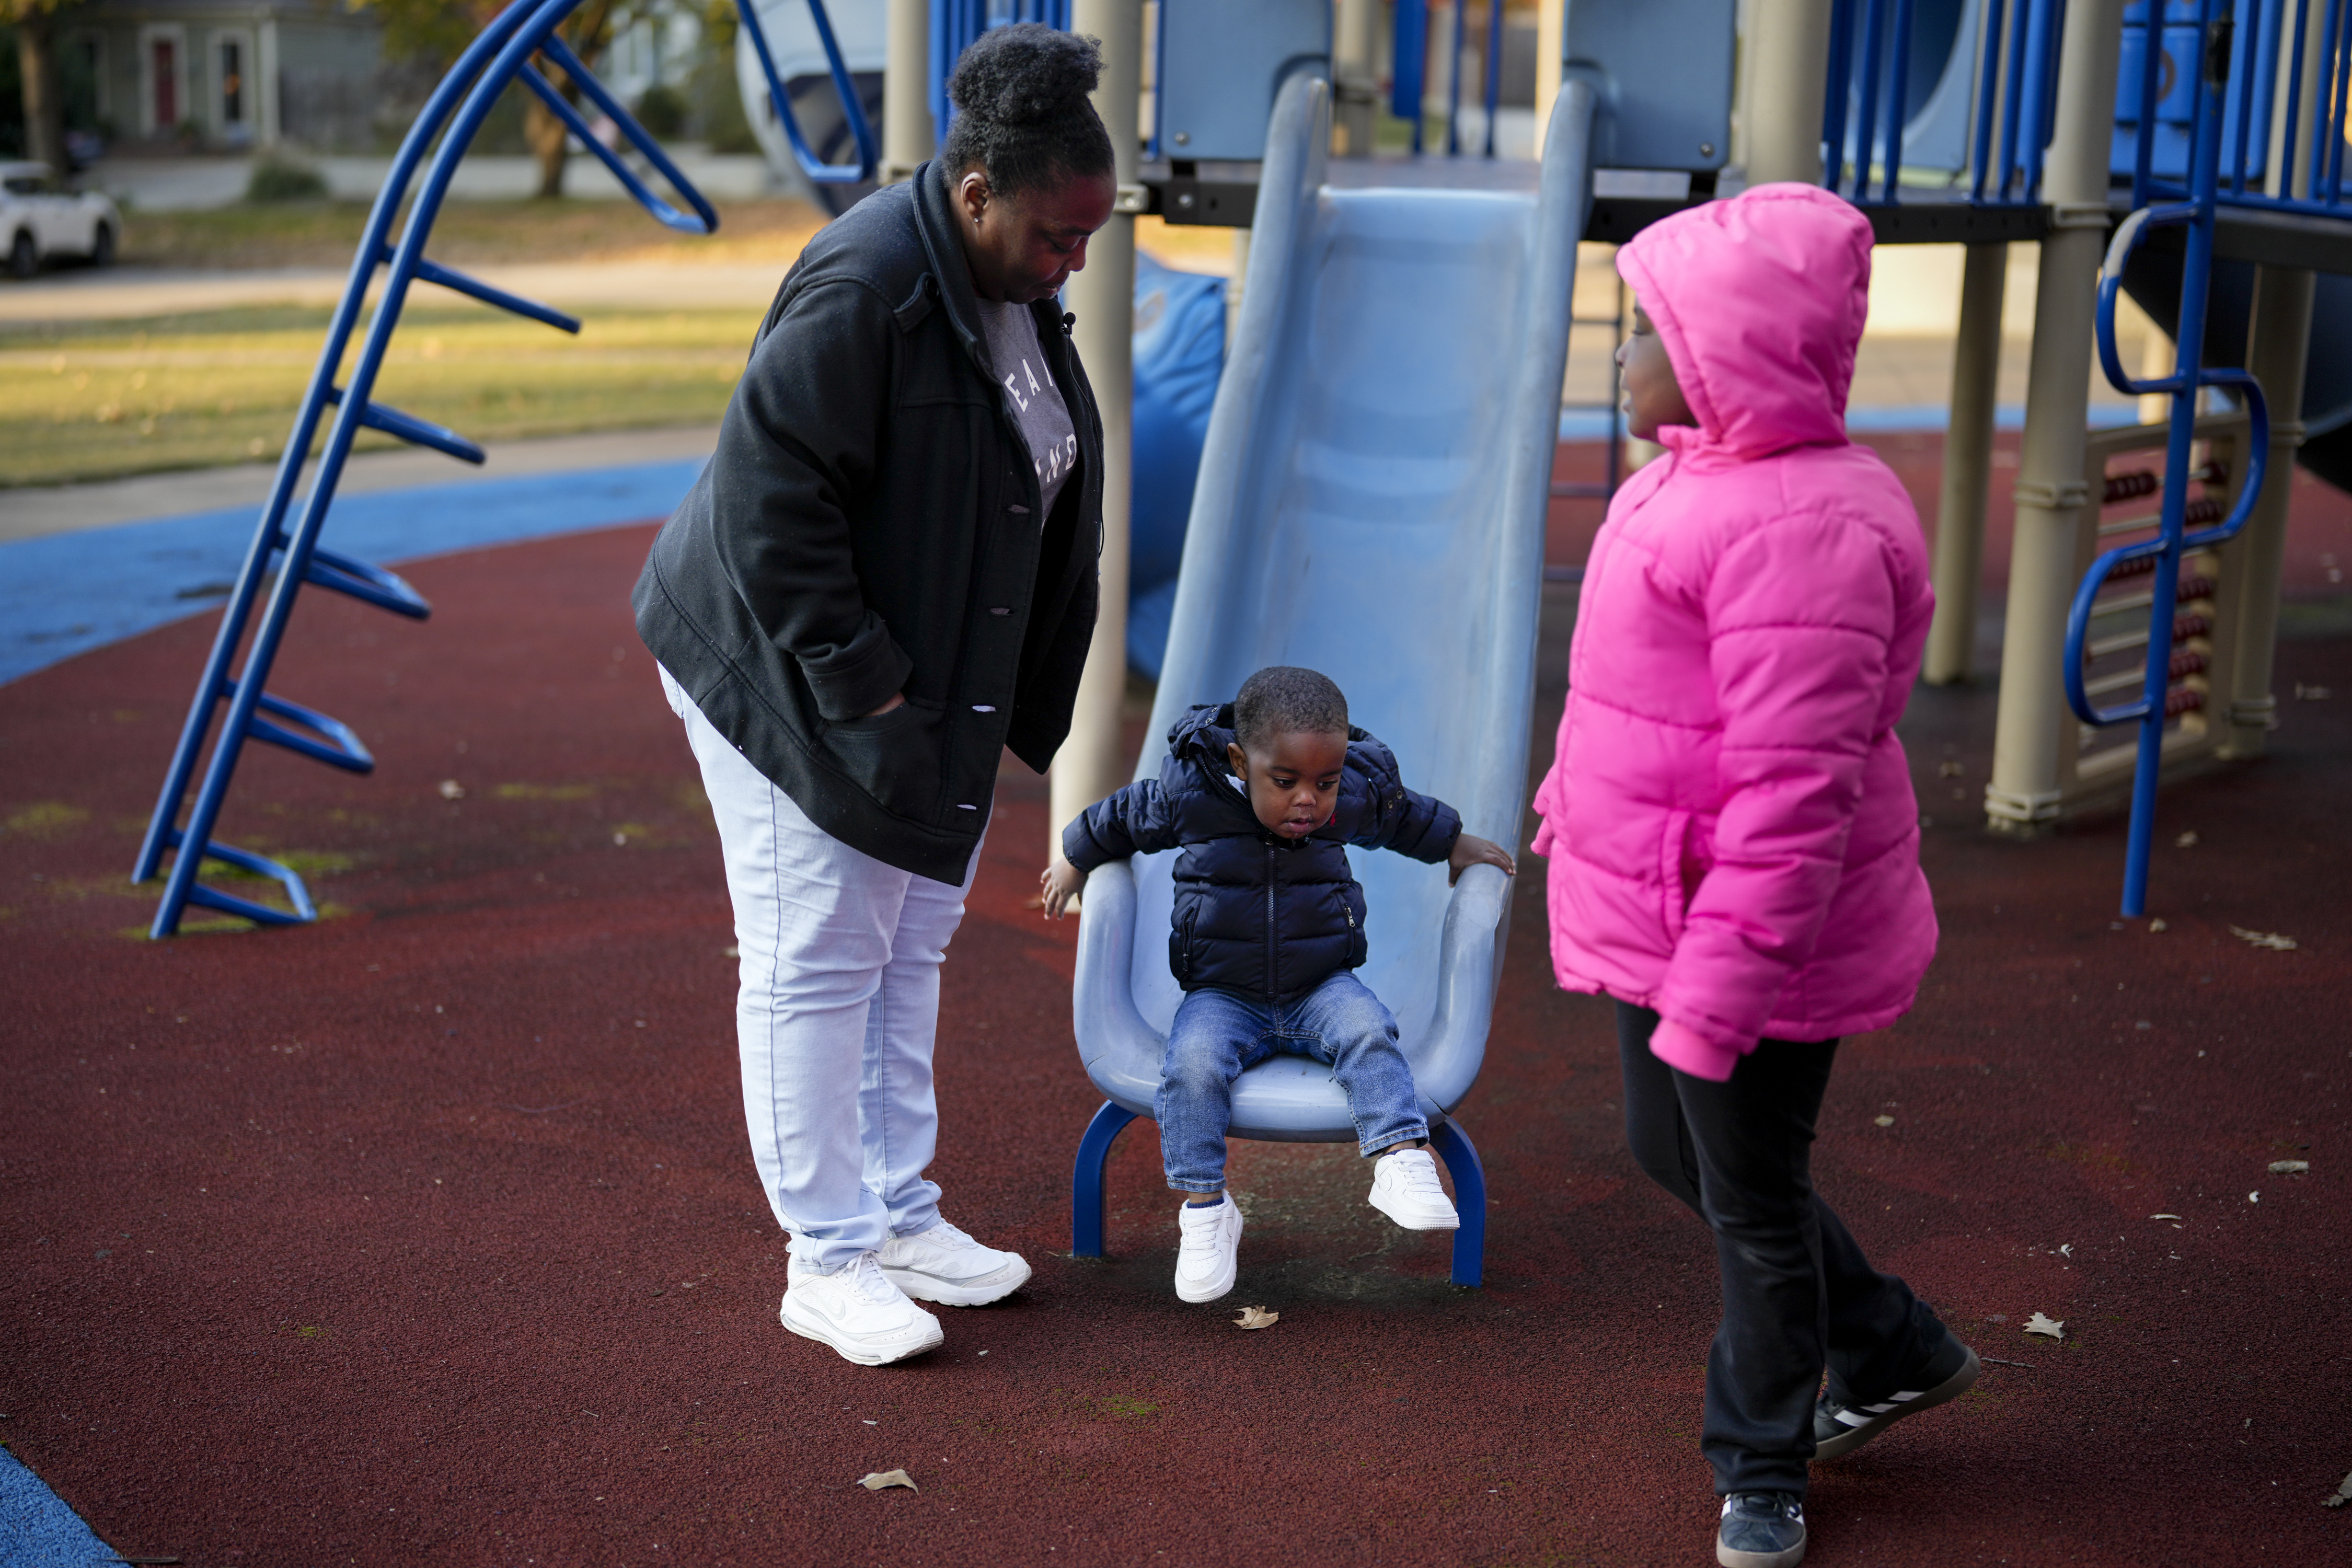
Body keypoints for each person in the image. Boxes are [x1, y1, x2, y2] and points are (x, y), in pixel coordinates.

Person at [631, 24, 1116, 1368]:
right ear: (975, 195)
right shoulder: (866, 286)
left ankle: (898, 1211)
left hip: (903, 673)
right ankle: (826, 1255)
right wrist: (870, 697)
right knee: (818, 947)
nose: (1071, 263)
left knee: (908, 937)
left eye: (1087, 238)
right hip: (781, 663)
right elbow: (769, 510)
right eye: (1054, 237)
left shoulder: (1000, 279)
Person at [1528, 185, 1977, 1568]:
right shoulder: (1691, 477)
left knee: (1751, 1202)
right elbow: (1630, 699)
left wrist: (1720, 996)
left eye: (1648, 326)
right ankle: (1896, 1343)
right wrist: (1567, 803)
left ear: (1733, 347)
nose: (1619, 352)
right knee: (1673, 1151)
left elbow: (1794, 799)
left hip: (1755, 939)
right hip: (1663, 906)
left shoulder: (1808, 528)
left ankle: (1763, 1462)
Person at [1041, 666, 1517, 1302]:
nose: (1308, 802)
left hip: (1321, 985)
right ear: (1241, 759)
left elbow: (1400, 818)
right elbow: (1120, 818)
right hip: (1222, 994)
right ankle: (1207, 1210)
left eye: (1325, 782)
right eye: (1286, 782)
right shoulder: (1194, 794)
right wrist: (1074, 858)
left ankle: (1399, 1156)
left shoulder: (1346, 799)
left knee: (1370, 1030)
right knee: (1191, 1067)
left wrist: (1455, 843)